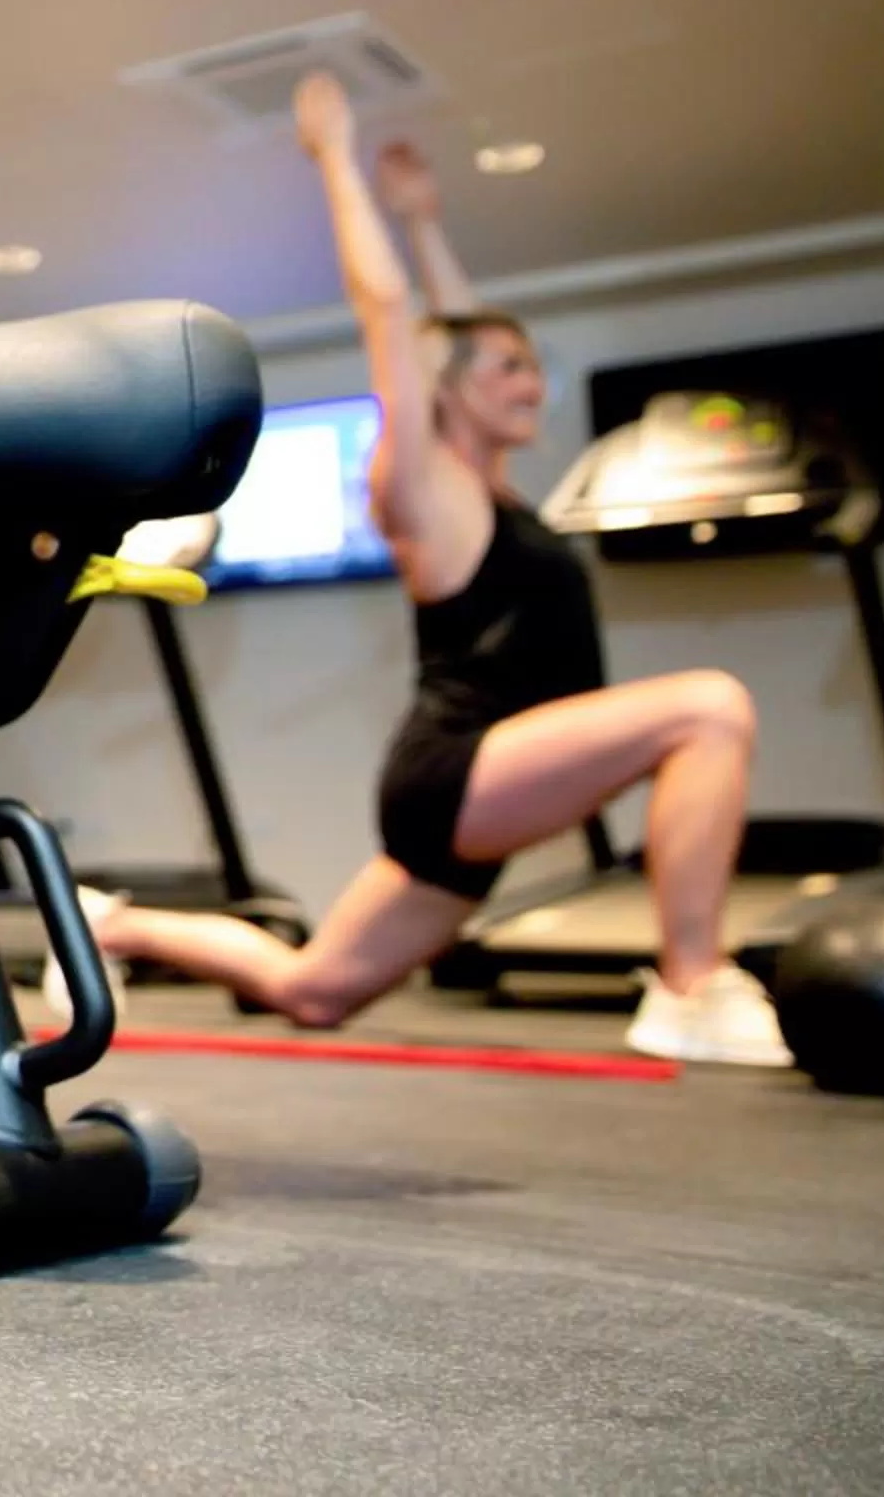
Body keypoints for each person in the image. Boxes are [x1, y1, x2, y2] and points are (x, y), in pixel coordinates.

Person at [60, 72, 789, 1066]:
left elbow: (457, 331)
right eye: (509, 371)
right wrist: (335, 158)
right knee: (709, 707)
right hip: (461, 770)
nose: (531, 382)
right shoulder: (425, 489)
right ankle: (689, 986)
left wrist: (424, 217)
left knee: (315, 990)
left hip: (493, 777)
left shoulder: (497, 490)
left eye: (532, 366)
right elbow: (390, 313)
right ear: (450, 392)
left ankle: (110, 924)